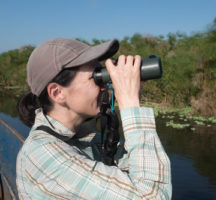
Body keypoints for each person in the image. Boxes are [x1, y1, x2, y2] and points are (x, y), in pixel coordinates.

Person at [16, 38, 172, 199]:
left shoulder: (83, 139)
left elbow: (144, 169)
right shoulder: (43, 155)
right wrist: (130, 104)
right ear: (57, 93)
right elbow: (152, 196)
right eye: (97, 77)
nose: (105, 85)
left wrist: (131, 87)